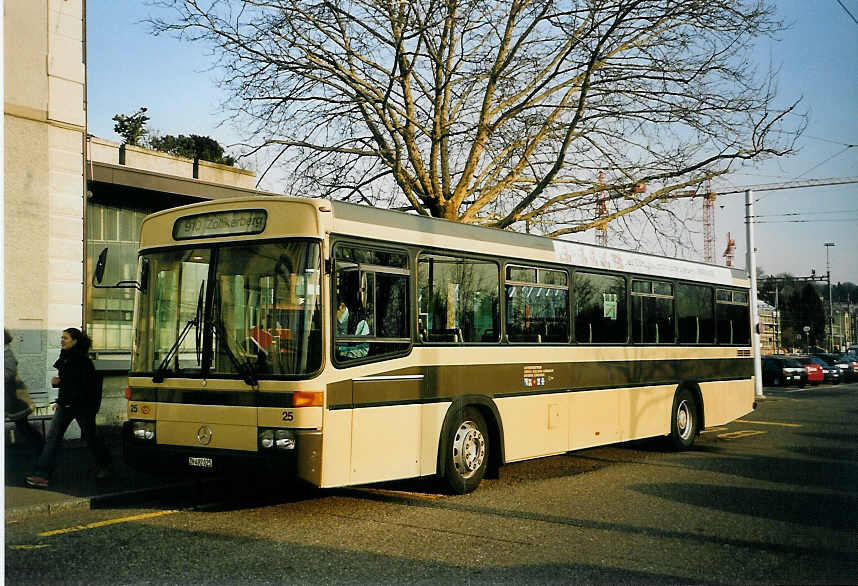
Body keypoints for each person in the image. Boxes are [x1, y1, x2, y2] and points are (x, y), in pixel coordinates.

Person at [26, 328, 112, 488]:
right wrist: (59, 387)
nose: (62, 340)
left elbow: (80, 385)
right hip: (67, 404)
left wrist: (60, 385)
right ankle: (42, 475)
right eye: (62, 337)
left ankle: (106, 467)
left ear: (75, 341)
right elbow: (69, 382)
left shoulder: (81, 360)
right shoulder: (67, 357)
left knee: (90, 437)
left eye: (65, 338)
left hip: (82, 406)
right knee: (54, 438)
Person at [5, 330, 44, 454]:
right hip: (10, 398)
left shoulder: (6, 353)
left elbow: (9, 373)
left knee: (23, 427)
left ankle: (42, 449)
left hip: (14, 398)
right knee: (23, 427)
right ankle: (42, 449)